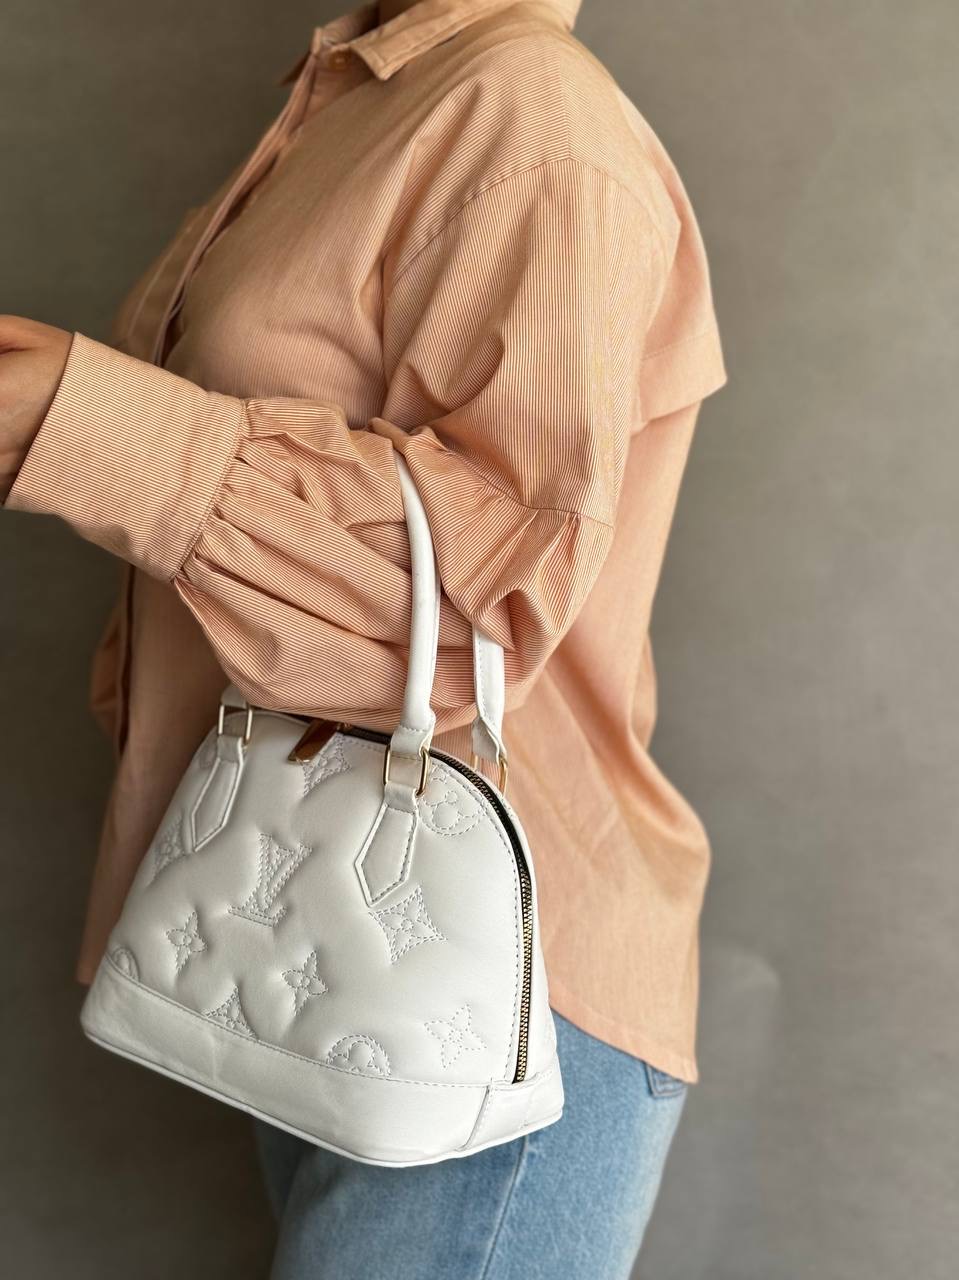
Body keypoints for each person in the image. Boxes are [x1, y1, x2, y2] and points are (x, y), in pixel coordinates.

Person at [0, 1, 726, 1274]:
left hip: (494, 977)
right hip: (325, 915)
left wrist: (86, 422)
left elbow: (484, 591)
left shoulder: (532, 115)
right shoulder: (362, 92)